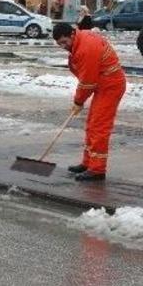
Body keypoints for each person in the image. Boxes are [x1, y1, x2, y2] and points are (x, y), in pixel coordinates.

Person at [52, 23, 126, 182]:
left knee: (99, 126)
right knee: (92, 124)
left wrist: (78, 101)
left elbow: (87, 81)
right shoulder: (80, 39)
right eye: (60, 44)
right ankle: (88, 163)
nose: (63, 47)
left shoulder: (86, 48)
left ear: (72, 34)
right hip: (102, 83)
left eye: (64, 42)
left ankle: (97, 169)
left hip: (110, 85)